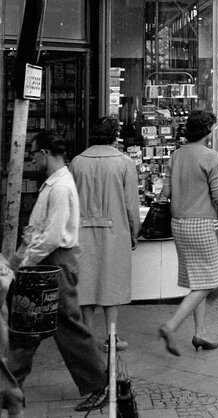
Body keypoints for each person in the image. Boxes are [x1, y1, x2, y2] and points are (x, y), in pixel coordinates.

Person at [12, 131, 108, 412]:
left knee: (64, 326)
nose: (31, 160)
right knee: (27, 325)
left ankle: (99, 383)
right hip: (50, 261)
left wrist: (25, 261)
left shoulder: (60, 187)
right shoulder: (55, 184)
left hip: (55, 262)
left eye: (32, 154)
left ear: (44, 153)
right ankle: (11, 386)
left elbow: (52, 236)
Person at [158, 110, 218, 357]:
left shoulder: (176, 155)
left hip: (178, 223)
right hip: (201, 224)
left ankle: (200, 332)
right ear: (208, 130)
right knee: (208, 283)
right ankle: (171, 325)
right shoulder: (211, 157)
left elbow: (164, 192)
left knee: (197, 281)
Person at [70, 116, 140, 353]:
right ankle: (112, 336)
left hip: (81, 229)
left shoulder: (77, 162)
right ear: (114, 136)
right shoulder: (124, 162)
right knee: (113, 283)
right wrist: (135, 231)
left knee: (86, 283)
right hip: (115, 229)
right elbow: (131, 203)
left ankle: (88, 336)